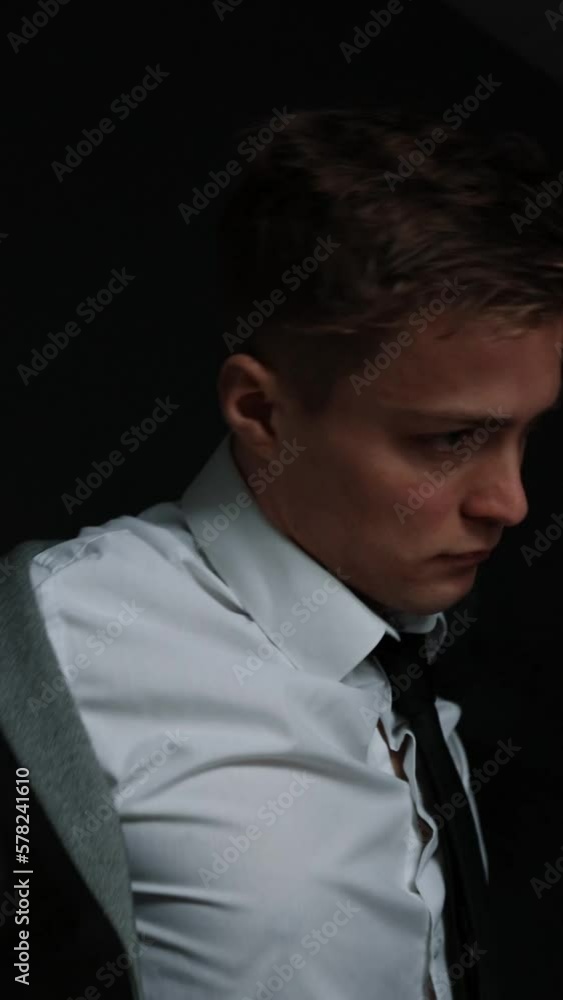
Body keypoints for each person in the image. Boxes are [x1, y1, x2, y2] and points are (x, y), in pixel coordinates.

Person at [1, 105, 562, 1000]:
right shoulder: (50, 659)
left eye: (525, 436)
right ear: (260, 412)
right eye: (450, 440)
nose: (511, 502)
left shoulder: (410, 677)